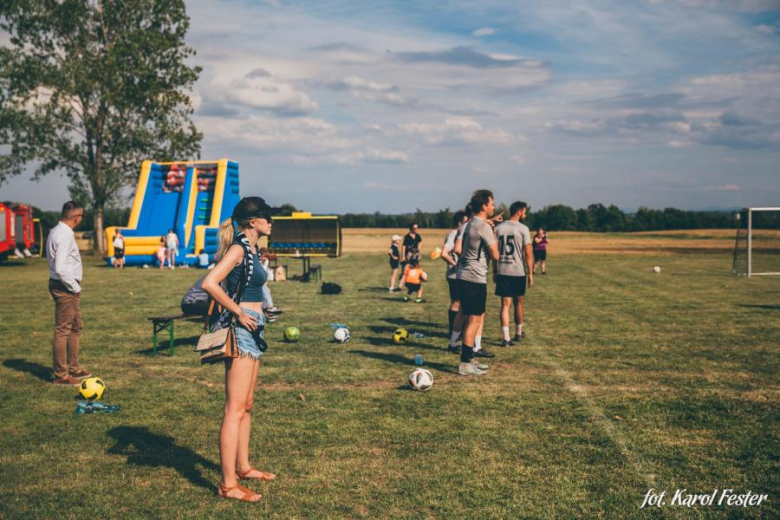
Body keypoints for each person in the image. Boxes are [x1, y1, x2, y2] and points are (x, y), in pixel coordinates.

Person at [202, 196, 280, 503]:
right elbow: (211, 283)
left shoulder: (252, 248)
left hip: (255, 325)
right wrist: (238, 311)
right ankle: (228, 484)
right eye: (267, 217)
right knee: (234, 409)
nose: (271, 222)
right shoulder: (238, 248)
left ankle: (244, 467)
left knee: (247, 403)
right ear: (253, 222)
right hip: (242, 330)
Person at [46, 201, 91, 385]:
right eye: (81, 216)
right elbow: (61, 268)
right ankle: (61, 375)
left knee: (75, 326)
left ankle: (74, 368)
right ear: (76, 217)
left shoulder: (56, 231)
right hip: (66, 286)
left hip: (64, 285)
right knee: (63, 330)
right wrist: (75, 288)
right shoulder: (64, 235)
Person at [455, 190, 500, 376]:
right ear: (484, 206)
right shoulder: (483, 227)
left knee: (475, 317)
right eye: (492, 204)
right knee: (473, 320)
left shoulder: (471, 223)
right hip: (474, 278)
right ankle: (465, 363)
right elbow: (496, 254)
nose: (494, 207)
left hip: (466, 275)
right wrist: (493, 231)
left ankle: (470, 359)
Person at [494, 202, 534, 346]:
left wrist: (494, 270)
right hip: (517, 271)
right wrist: (530, 273)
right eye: (525, 211)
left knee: (505, 304)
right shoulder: (523, 229)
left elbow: (494, 252)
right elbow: (528, 252)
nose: (525, 214)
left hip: (503, 270)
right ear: (519, 212)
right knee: (519, 303)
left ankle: (506, 338)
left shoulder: (498, 228)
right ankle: (518, 332)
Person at [441, 211, 466, 347]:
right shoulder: (454, 234)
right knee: (456, 303)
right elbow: (444, 253)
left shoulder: (459, 233)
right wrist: (456, 264)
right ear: (459, 223)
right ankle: (452, 331)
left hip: (459, 274)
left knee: (461, 303)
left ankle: (458, 330)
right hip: (454, 275)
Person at [399, 223, 422, 290]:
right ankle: (400, 286)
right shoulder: (407, 236)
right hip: (408, 255)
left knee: (416, 269)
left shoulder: (418, 236)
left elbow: (420, 242)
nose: (416, 229)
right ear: (411, 228)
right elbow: (404, 246)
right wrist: (403, 256)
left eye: (417, 228)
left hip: (415, 255)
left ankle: (414, 282)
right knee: (404, 270)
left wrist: (419, 252)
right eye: (415, 228)